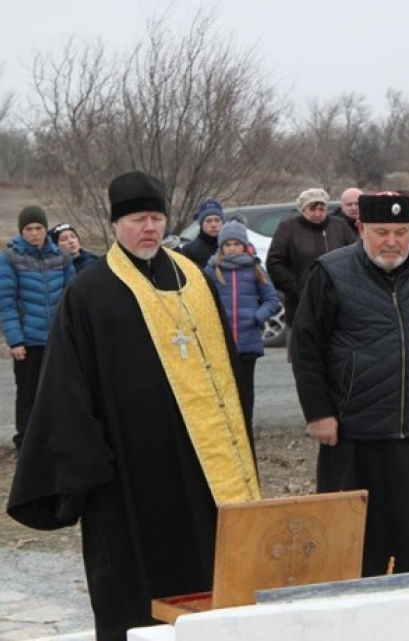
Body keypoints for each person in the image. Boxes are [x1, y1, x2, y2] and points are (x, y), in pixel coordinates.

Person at [6, 171, 260, 641]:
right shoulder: (90, 294)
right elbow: (65, 393)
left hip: (205, 472)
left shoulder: (194, 283)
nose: (150, 228)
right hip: (129, 478)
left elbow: (228, 371)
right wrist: (88, 471)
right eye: (139, 219)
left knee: (208, 586)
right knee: (137, 593)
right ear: (117, 224)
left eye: (157, 218)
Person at [290, 192, 409, 577]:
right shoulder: (331, 272)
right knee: (352, 546)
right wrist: (319, 413)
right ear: (361, 228)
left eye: (402, 232)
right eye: (381, 231)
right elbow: (305, 349)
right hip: (353, 434)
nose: (392, 241)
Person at [0, 206, 75, 450]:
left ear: (46, 229)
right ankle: (26, 443)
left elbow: (71, 297)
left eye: (39, 228)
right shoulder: (10, 258)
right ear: (22, 231)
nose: (34, 233)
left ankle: (56, 439)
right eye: (29, 229)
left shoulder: (61, 258)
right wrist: (15, 340)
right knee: (28, 395)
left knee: (58, 391)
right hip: (28, 340)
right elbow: (6, 301)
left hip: (56, 339)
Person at [204, 220, 280, 431]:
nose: (232, 248)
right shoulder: (212, 270)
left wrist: (257, 317)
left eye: (236, 244)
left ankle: (245, 425)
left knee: (245, 388)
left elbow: (271, 300)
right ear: (221, 247)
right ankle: (227, 427)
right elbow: (202, 300)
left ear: (244, 245)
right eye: (227, 245)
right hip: (222, 343)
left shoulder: (255, 269)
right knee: (224, 388)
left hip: (248, 343)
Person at [266, 188, 356, 360]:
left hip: (337, 306)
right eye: (312, 209)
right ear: (303, 209)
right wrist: (296, 287)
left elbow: (354, 256)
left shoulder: (339, 226)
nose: (317, 213)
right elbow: (274, 262)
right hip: (300, 306)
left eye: (322, 209)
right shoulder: (288, 229)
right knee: (304, 361)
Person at [180, 197, 225, 268]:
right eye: (208, 221)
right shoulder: (189, 250)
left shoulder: (231, 246)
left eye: (217, 220)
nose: (213, 225)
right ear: (201, 224)